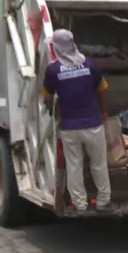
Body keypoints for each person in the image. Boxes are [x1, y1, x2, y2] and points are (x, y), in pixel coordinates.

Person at [42, 29, 113, 211]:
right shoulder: (89, 65)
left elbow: (47, 96)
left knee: (74, 166)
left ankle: (80, 204)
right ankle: (103, 201)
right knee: (99, 163)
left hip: (69, 127)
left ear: (56, 47)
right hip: (93, 125)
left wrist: (51, 111)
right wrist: (104, 112)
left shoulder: (53, 70)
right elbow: (103, 89)